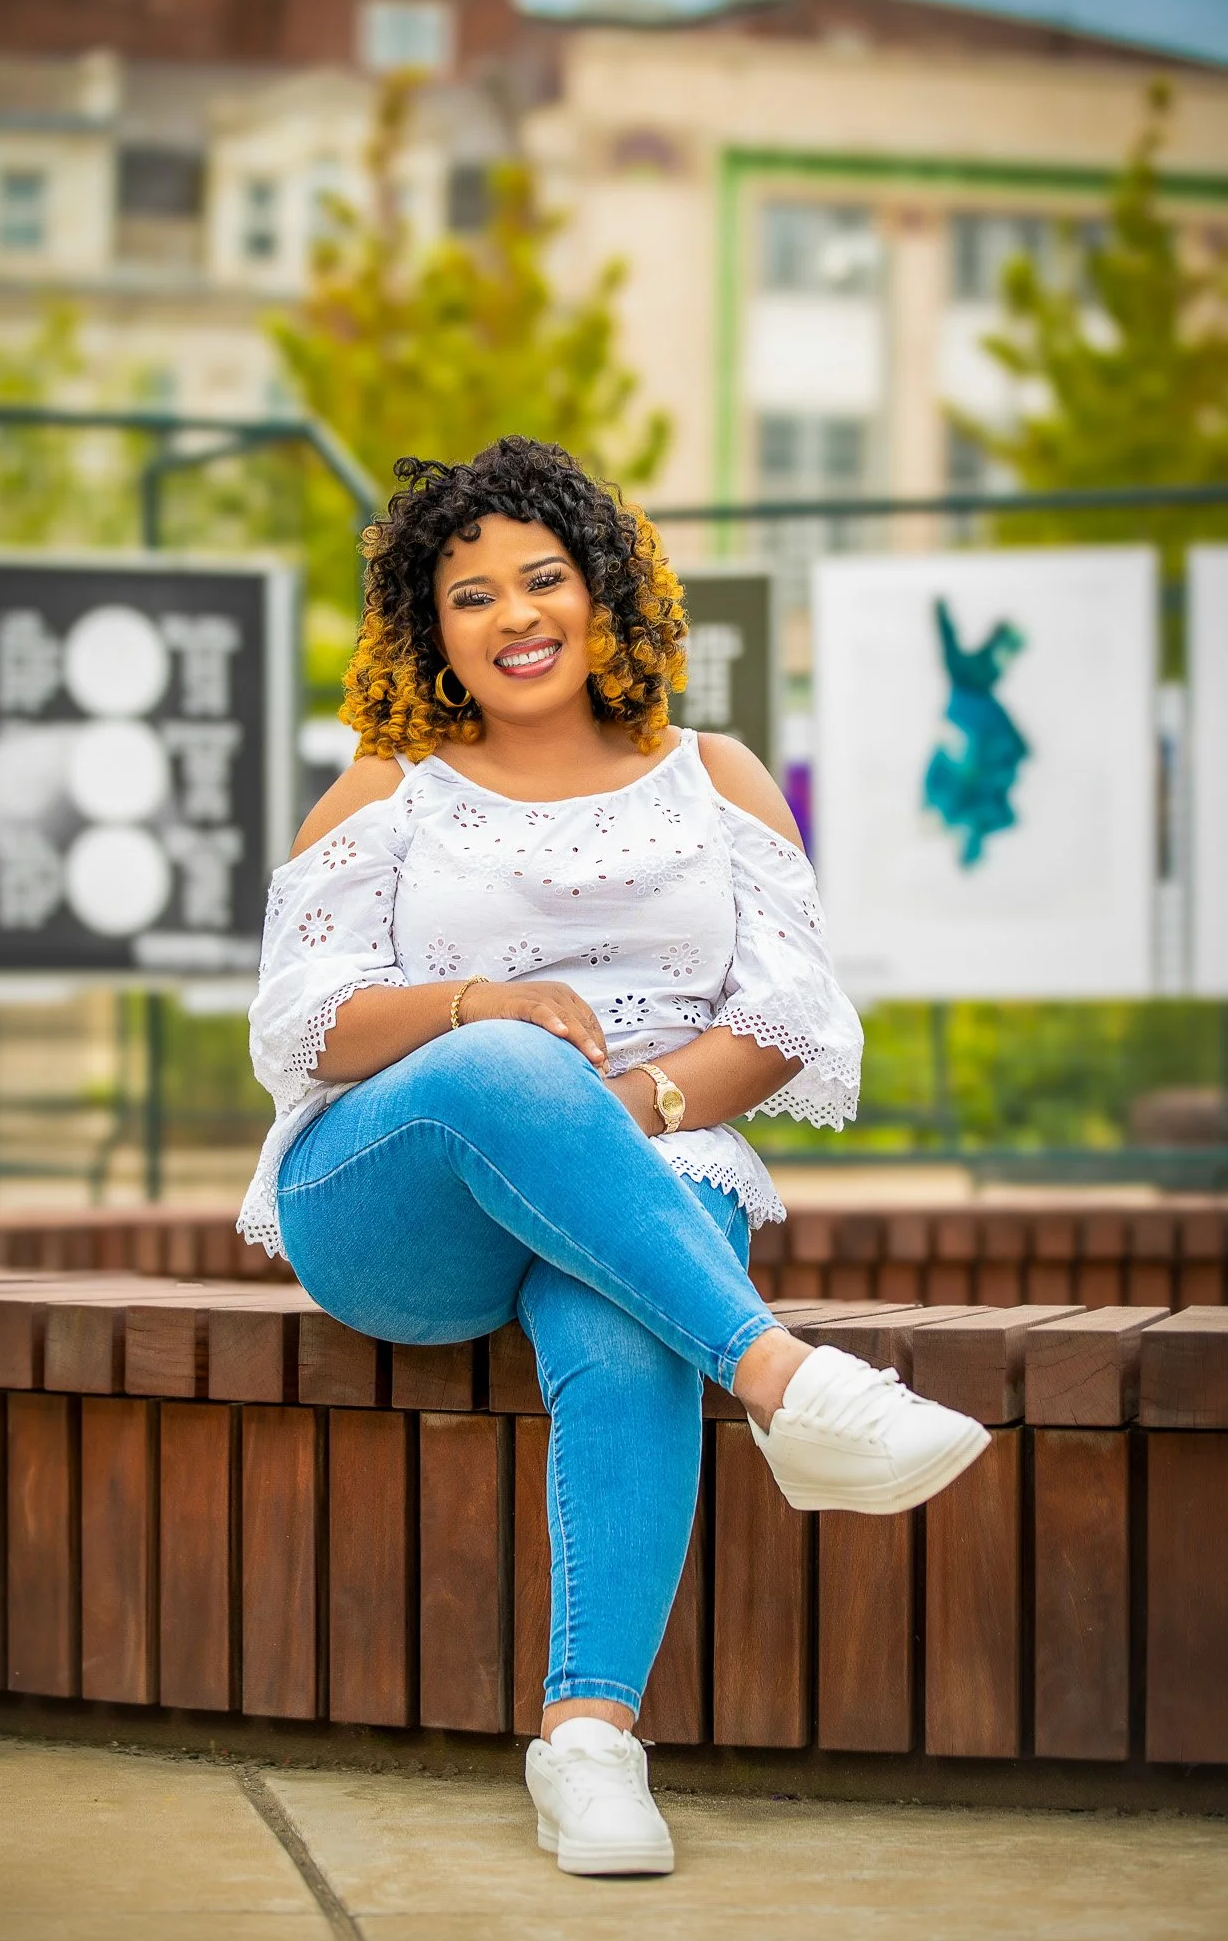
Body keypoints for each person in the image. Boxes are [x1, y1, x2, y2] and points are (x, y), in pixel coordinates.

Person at [239, 437, 988, 1878]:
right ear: (429, 630)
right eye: (471, 596)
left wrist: (626, 1108)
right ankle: (788, 1383)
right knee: (513, 1065)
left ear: (604, 592)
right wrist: (483, 1004)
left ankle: (589, 1744)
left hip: (643, 1164)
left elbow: (784, 1018)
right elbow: (301, 1027)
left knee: (630, 1300)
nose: (516, 617)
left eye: (545, 579)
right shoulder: (389, 791)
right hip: (393, 1203)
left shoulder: (715, 778)